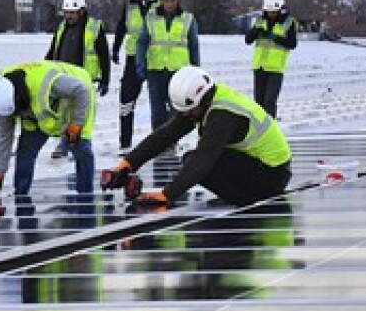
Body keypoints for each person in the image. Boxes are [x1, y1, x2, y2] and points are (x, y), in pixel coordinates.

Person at [102, 65, 291, 209]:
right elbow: (165, 135)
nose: (185, 115)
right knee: (189, 159)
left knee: (196, 163)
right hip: (262, 166)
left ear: (201, 100)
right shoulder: (204, 102)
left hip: (271, 176)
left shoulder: (222, 116)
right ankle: (245, 194)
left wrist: (167, 195)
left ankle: (249, 199)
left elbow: (203, 160)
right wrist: (126, 165)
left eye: (188, 111)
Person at [0, 61, 96, 199]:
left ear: (18, 98)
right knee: (25, 155)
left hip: (78, 99)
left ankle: (86, 195)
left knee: (81, 150)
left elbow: (81, 89)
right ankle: (20, 195)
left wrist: (77, 123)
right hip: (38, 116)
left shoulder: (46, 84)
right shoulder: (0, 95)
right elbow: (3, 138)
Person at [45, 0, 110, 159]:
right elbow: (53, 51)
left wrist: (105, 79)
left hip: (85, 79)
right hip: (63, 78)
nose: (69, 16)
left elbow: (103, 54)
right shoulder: (61, 27)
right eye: (67, 13)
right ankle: (64, 144)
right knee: (64, 114)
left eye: (73, 13)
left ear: (82, 11)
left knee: (82, 116)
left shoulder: (94, 27)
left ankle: (79, 146)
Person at [135, 0, 200, 134]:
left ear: (177, 0)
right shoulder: (150, 18)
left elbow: (194, 46)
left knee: (176, 108)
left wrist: (196, 68)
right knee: (157, 108)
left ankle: (171, 140)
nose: (170, 4)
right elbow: (142, 42)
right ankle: (157, 140)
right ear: (161, 1)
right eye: (166, 0)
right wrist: (140, 63)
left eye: (173, 0)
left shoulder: (188, 19)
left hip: (179, 72)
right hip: (156, 70)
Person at [111, 0, 155, 152]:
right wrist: (115, 48)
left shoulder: (161, 3)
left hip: (155, 57)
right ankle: (125, 141)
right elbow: (122, 26)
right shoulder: (129, 4)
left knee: (160, 102)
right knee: (126, 100)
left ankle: (164, 142)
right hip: (133, 57)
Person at [244, 0, 298, 117]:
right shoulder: (260, 20)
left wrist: (274, 37)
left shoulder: (289, 23)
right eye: (268, 12)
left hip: (275, 69)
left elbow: (292, 43)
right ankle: (258, 131)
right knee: (258, 103)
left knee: (269, 101)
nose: (271, 14)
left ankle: (270, 130)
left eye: (273, 12)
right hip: (259, 67)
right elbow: (248, 40)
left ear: (280, 9)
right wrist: (255, 32)